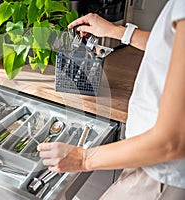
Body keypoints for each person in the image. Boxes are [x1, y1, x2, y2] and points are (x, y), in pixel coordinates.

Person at [37, 0, 185, 199]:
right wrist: (116, 31)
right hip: (148, 163)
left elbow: (171, 143)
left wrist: (83, 158)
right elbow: (169, 46)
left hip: (160, 174)